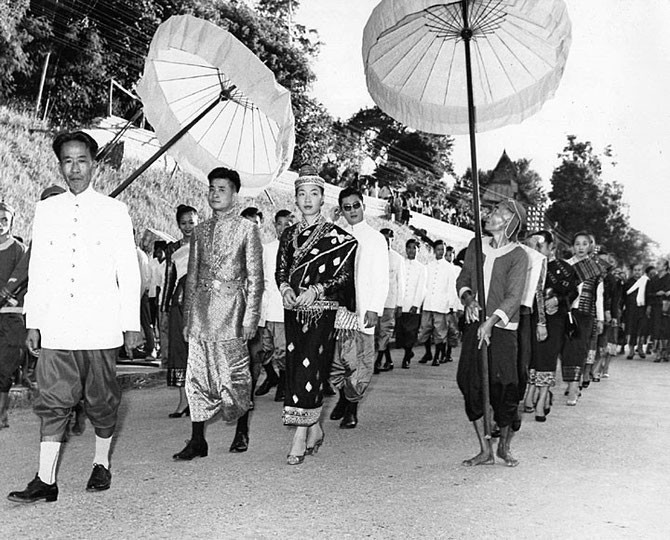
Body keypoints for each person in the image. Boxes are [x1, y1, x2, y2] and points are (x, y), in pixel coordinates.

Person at [9, 131, 142, 503]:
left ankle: (101, 462)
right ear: (60, 165)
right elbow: (40, 267)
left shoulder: (115, 212)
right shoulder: (47, 210)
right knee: (52, 399)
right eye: (67, 161)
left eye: (82, 160)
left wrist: (130, 324)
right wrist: (33, 320)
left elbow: (128, 271)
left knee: (101, 400)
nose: (75, 168)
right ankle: (44, 480)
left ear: (94, 164)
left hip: (100, 326)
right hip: (57, 324)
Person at [173, 167, 263, 460]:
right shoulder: (199, 231)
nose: (214, 194)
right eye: (212, 188)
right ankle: (197, 439)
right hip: (201, 312)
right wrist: (188, 318)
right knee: (197, 374)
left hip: (233, 312)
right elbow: (192, 276)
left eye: (221, 189)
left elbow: (256, 278)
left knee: (235, 375)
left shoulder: (247, 229)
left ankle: (241, 430)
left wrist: (250, 319)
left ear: (234, 194)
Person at [276, 165, 357, 465]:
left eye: (313, 193)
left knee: (311, 369)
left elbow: (343, 278)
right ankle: (315, 426)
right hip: (294, 310)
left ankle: (299, 435)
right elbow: (280, 270)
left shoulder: (338, 239)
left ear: (323, 199)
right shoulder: (289, 236)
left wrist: (318, 290)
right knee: (297, 369)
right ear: (295, 199)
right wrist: (285, 289)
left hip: (320, 314)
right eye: (301, 193)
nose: (307, 199)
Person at [456, 200, 528, 467]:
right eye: (493, 210)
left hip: (503, 329)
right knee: (470, 383)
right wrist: (468, 300)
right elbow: (463, 279)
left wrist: (492, 321)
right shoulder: (476, 245)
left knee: (506, 386)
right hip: (475, 325)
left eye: (499, 212)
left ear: (511, 222)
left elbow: (513, 296)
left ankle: (504, 447)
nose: (491, 215)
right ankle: (484, 449)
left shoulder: (519, 255)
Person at [329, 187, 388, 429]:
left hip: (363, 309)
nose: (352, 211)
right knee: (336, 361)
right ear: (341, 210)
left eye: (356, 205)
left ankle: (351, 408)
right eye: (346, 207)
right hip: (338, 310)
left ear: (363, 206)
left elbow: (382, 277)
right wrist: (330, 222)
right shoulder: (335, 235)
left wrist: (374, 308)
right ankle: (343, 397)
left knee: (359, 362)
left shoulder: (376, 238)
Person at [523, 231, 578, 422]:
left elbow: (572, 293)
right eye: (532, 245)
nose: (535, 249)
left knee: (547, 358)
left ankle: (542, 399)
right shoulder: (529, 266)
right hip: (530, 319)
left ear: (551, 247)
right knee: (532, 357)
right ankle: (530, 395)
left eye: (539, 246)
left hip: (555, 322)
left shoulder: (564, 269)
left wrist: (557, 299)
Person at [561, 232, 605, 405]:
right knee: (565, 351)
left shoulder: (595, 268)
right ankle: (572, 381)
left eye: (584, 244)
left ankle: (573, 387)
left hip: (586, 314)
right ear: (572, 246)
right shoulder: (564, 266)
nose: (580, 247)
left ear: (590, 246)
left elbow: (599, 296)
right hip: (565, 313)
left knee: (579, 350)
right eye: (577, 244)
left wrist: (600, 319)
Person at [163, 205, 199, 417]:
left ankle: (201, 400)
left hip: (201, 304)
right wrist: (164, 310)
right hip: (178, 304)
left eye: (191, 222)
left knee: (199, 352)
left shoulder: (206, 245)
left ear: (198, 221)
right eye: (183, 223)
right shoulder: (172, 249)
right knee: (179, 351)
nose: (187, 227)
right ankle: (183, 401)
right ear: (178, 224)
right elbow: (169, 281)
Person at [255, 210, 292, 402]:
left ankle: (284, 383)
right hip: (266, 308)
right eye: (280, 224)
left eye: (288, 224)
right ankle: (271, 376)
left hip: (284, 309)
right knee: (263, 348)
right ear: (274, 225)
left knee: (282, 349)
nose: (284, 228)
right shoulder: (267, 249)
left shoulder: (298, 250)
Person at [0, 202, 28, 429]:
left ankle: (1, 414)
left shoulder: (19, 249)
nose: (0, 225)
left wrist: (14, 297)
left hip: (10, 315)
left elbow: (27, 281)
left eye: (4, 220)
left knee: (5, 367)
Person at [417, 240, 460, 366]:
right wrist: (420, 301)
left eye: (443, 250)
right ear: (434, 250)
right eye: (439, 249)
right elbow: (424, 285)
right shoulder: (428, 266)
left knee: (440, 333)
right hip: (428, 303)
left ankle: (437, 356)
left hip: (442, 305)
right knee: (425, 329)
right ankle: (428, 352)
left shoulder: (449, 268)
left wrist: (452, 305)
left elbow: (451, 287)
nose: (441, 252)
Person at [374, 228, 405, 373]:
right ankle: (389, 360)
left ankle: (378, 360)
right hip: (375, 301)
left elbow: (401, 282)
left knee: (385, 331)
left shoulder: (398, 259)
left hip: (390, 301)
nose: (385, 241)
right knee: (377, 332)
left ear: (392, 239)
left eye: (388, 238)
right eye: (383, 238)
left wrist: (400, 304)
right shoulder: (373, 255)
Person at [396, 239, 427, 369]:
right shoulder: (401, 263)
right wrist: (398, 303)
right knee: (401, 332)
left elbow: (421, 288)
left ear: (418, 251)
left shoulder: (421, 268)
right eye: (409, 247)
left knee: (410, 332)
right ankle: (408, 351)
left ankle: (407, 356)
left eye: (414, 248)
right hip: (400, 304)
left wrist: (416, 304)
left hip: (413, 305)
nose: (411, 250)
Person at [623, 263, 649, 360]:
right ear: (632, 271)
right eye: (635, 270)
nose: (637, 272)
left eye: (639, 270)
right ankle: (631, 350)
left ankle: (640, 348)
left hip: (642, 308)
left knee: (642, 329)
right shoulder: (628, 282)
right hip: (631, 309)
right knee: (631, 329)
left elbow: (648, 295)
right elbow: (624, 296)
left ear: (642, 271)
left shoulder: (646, 282)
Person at [647, 259, 670, 362]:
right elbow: (649, 293)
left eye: (659, 263)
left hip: (667, 306)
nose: (657, 265)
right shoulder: (654, 279)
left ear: (665, 266)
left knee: (665, 329)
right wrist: (657, 294)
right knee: (656, 329)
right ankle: (657, 352)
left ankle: (665, 351)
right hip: (655, 306)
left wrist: (666, 293)